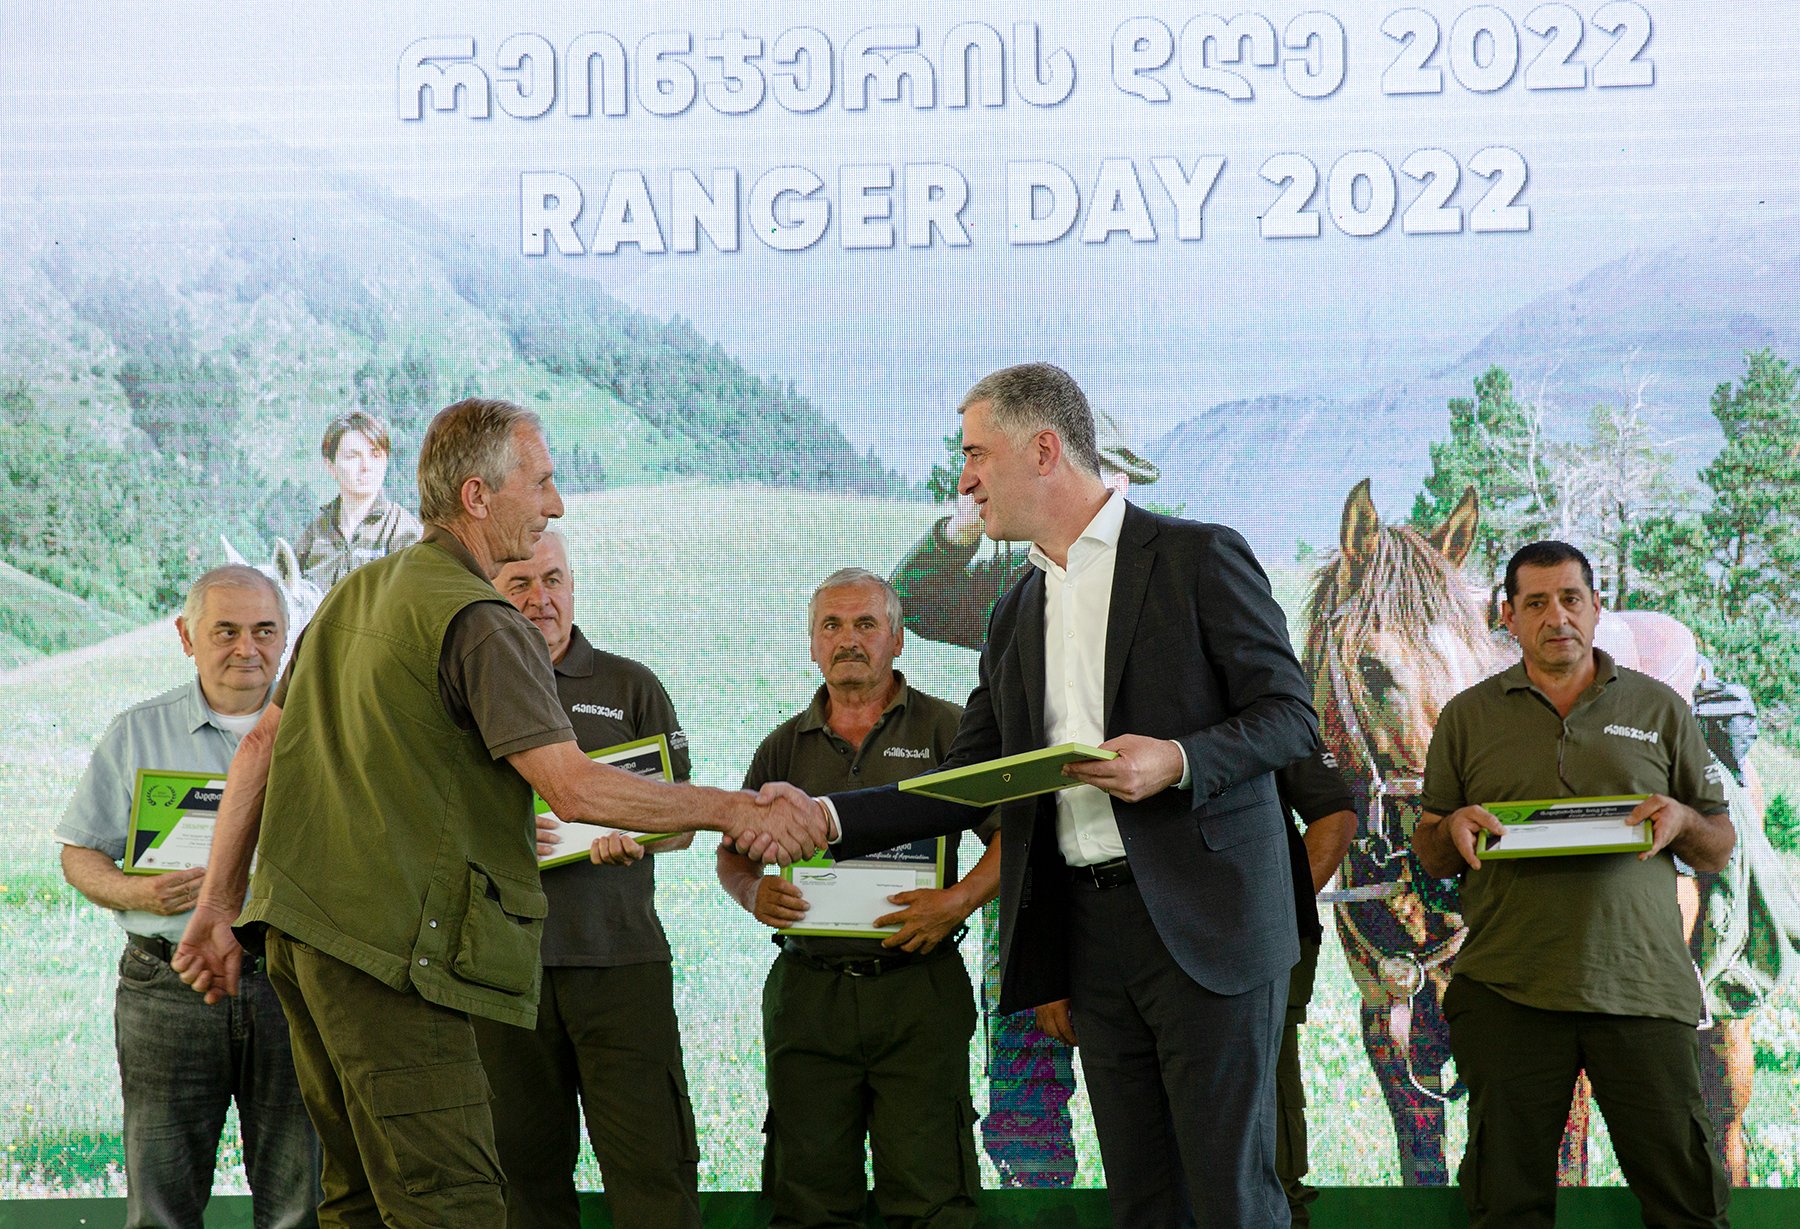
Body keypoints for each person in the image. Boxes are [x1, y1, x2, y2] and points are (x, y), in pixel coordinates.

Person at [174, 397, 825, 1228]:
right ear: (478, 496)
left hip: (306, 946)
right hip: (395, 960)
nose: (556, 503)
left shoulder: (355, 593)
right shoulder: (481, 620)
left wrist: (217, 903)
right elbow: (572, 787)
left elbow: (261, 746)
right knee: (457, 1205)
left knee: (359, 1201)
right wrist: (735, 808)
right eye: (541, 482)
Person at [751, 364, 1320, 1228]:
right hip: (1091, 936)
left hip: (1211, 928)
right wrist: (825, 816)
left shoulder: (1198, 557)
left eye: (977, 454)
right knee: (1142, 1201)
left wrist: (1175, 760)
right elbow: (963, 783)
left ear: (1045, 450)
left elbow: (1289, 718)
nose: (966, 479)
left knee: (1230, 1199)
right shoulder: (1014, 610)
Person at [1411, 540, 1735, 1229]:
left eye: (1570, 598)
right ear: (1508, 616)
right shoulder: (1466, 716)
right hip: (1508, 992)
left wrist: (1682, 820)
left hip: (1642, 992)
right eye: (1535, 603)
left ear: (1596, 607)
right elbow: (1432, 851)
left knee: (1686, 1205)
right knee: (1505, 1207)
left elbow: (1717, 845)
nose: (1556, 616)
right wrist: (1452, 829)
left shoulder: (1660, 707)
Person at [890, 409, 1161, 1187]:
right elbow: (911, 599)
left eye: (1112, 476)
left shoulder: (1166, 578)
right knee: (1024, 1101)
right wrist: (961, 529)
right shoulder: (1015, 591)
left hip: (1144, 882)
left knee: (1149, 1100)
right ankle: (1035, 1200)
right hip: (1030, 876)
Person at [718, 568, 997, 1229]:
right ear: (813, 644)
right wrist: (753, 892)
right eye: (832, 626)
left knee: (932, 1198)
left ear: (897, 640)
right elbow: (733, 855)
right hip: (809, 997)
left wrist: (957, 901)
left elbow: (1014, 839)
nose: (849, 640)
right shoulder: (782, 747)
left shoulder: (950, 729)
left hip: (918, 990)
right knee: (809, 1199)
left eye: (866, 624)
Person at [55, 564, 319, 1228]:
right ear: (185, 636)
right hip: (167, 987)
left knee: (300, 1207)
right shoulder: (137, 732)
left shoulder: (324, 732)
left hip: (290, 983)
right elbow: (79, 853)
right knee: (161, 1207)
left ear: (287, 636)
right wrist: (136, 890)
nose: (247, 648)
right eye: (225, 631)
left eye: (265, 630)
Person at [471, 530, 702, 1229]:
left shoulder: (631, 685)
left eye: (553, 580)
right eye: (519, 584)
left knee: (653, 1170)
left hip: (621, 964)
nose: (540, 598)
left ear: (572, 584)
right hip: (506, 974)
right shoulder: (468, 690)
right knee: (522, 1183)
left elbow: (684, 822)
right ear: (491, 594)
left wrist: (638, 830)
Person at [1272, 751, 1357, 1228]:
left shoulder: (1260, 710)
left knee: (1272, 1162)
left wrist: (1272, 913)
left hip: (1258, 952)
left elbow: (1334, 814)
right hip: (1131, 944)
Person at [293, 410, 422, 587]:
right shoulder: (315, 534)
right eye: (353, 456)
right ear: (331, 466)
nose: (366, 466)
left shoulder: (404, 531)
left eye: (375, 455)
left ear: (385, 461)